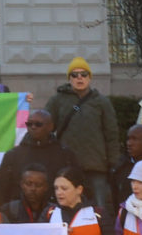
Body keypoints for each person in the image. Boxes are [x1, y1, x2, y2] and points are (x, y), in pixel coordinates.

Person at [46, 58, 121, 212]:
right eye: (74, 75)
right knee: (67, 205)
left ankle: (102, 234)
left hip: (96, 166)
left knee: (99, 208)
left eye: (83, 74)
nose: (79, 78)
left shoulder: (101, 102)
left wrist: (113, 162)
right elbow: (44, 126)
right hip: (67, 165)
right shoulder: (57, 100)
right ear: (69, 78)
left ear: (89, 77)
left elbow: (112, 134)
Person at [0, 110, 78, 206]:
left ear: (50, 127)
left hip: (56, 211)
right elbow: (1, 188)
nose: (33, 127)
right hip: (19, 214)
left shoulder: (65, 154)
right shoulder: (13, 155)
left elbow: (76, 186)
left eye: (38, 124)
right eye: (29, 124)